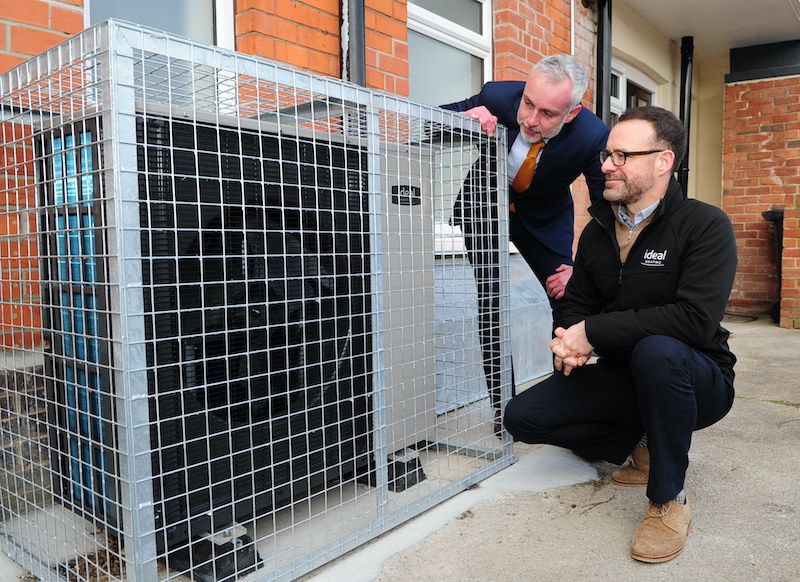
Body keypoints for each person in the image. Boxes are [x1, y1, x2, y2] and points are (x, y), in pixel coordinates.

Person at [503, 105, 738, 563]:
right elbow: (578, 302)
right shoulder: (597, 232)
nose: (606, 165)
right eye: (607, 154)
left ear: (663, 162)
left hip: (696, 378)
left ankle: (669, 499)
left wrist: (593, 332)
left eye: (621, 156)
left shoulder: (705, 225)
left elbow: (694, 318)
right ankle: (641, 444)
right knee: (523, 418)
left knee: (658, 351)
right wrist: (569, 338)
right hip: (624, 374)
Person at [440, 55, 609, 433]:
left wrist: (580, 269)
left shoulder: (592, 136)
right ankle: (504, 408)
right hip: (483, 207)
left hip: (545, 219)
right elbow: (426, 120)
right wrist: (462, 119)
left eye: (547, 113)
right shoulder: (498, 96)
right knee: (492, 299)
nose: (531, 119)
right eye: (528, 103)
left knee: (567, 298)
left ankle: (563, 403)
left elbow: (605, 212)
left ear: (572, 113)